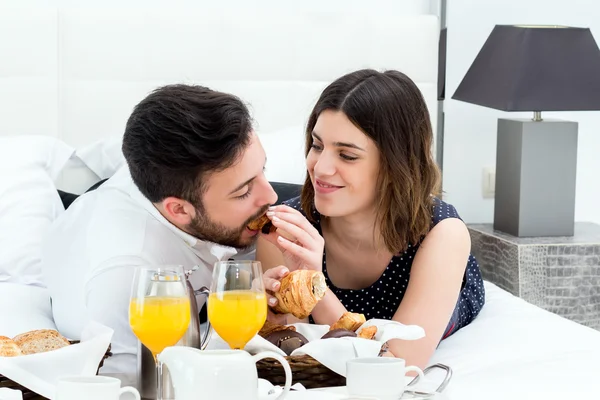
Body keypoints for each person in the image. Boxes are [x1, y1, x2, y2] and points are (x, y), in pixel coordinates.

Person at [41, 84, 278, 374]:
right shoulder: (126, 279)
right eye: (243, 192)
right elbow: (136, 387)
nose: (271, 196)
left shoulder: (164, 162)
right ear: (177, 209)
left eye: (262, 170)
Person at [257, 69, 485, 369]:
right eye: (317, 145)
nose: (321, 168)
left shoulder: (442, 233)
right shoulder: (284, 229)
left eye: (347, 156)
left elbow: (395, 367)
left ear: (395, 165)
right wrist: (274, 313)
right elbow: (297, 356)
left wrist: (315, 290)